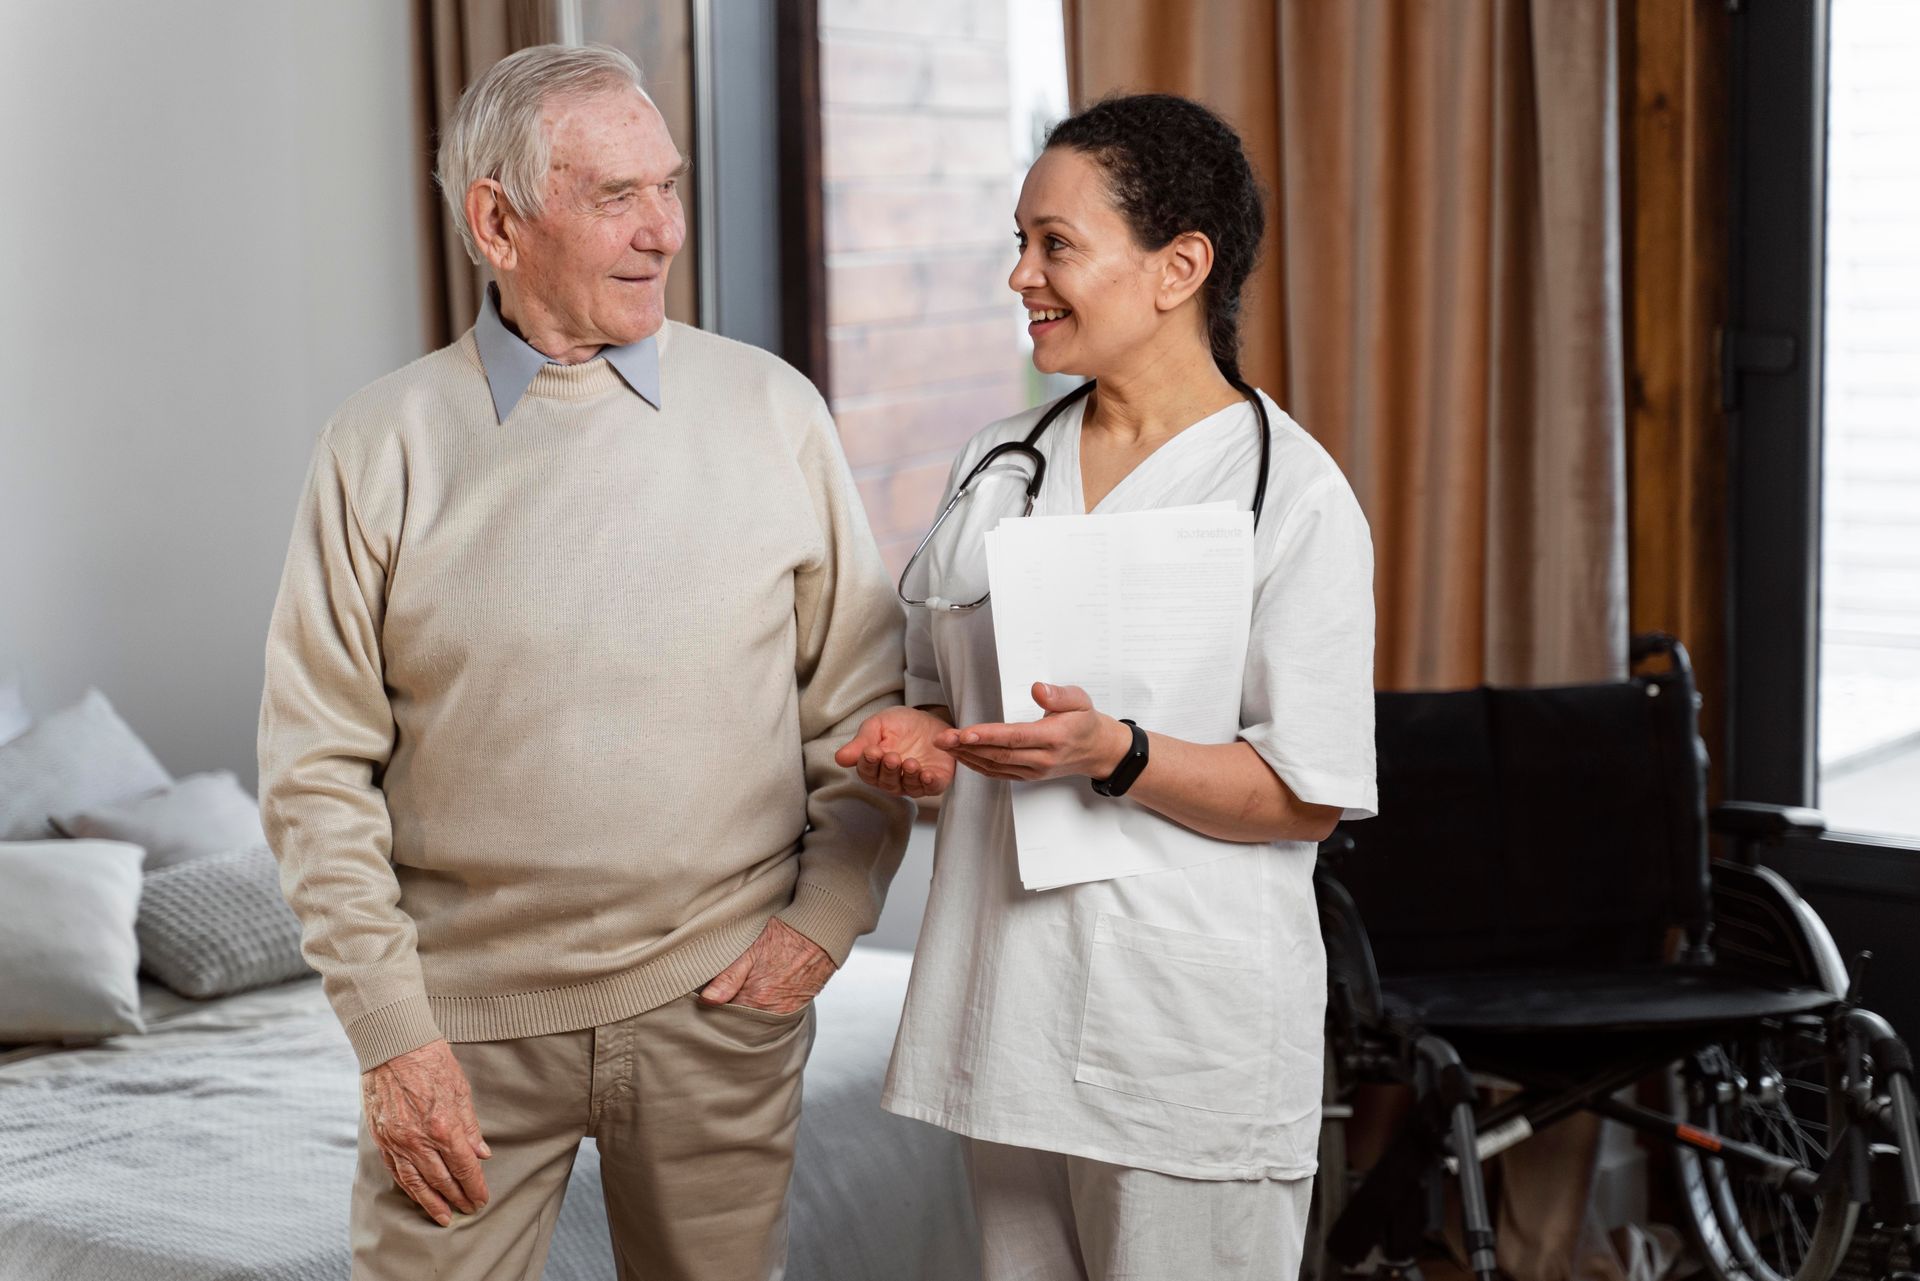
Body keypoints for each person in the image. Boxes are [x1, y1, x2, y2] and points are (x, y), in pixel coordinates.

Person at [258, 43, 910, 1281]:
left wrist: (821, 927)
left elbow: (865, 714)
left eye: (668, 187)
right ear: (498, 222)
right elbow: (314, 779)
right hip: (463, 1032)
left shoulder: (775, 411)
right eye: (617, 198)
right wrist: (394, 1040)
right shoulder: (379, 445)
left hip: (720, 1007)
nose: (664, 231)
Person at [836, 93, 1377, 1280]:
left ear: (1181, 265)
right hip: (1009, 1012)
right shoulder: (997, 461)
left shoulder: (1290, 497)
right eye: (1018, 242)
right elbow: (942, 693)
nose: (1020, 274)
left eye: (1055, 245)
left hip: (1183, 1039)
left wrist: (1118, 753)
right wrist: (922, 739)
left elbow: (1309, 794)